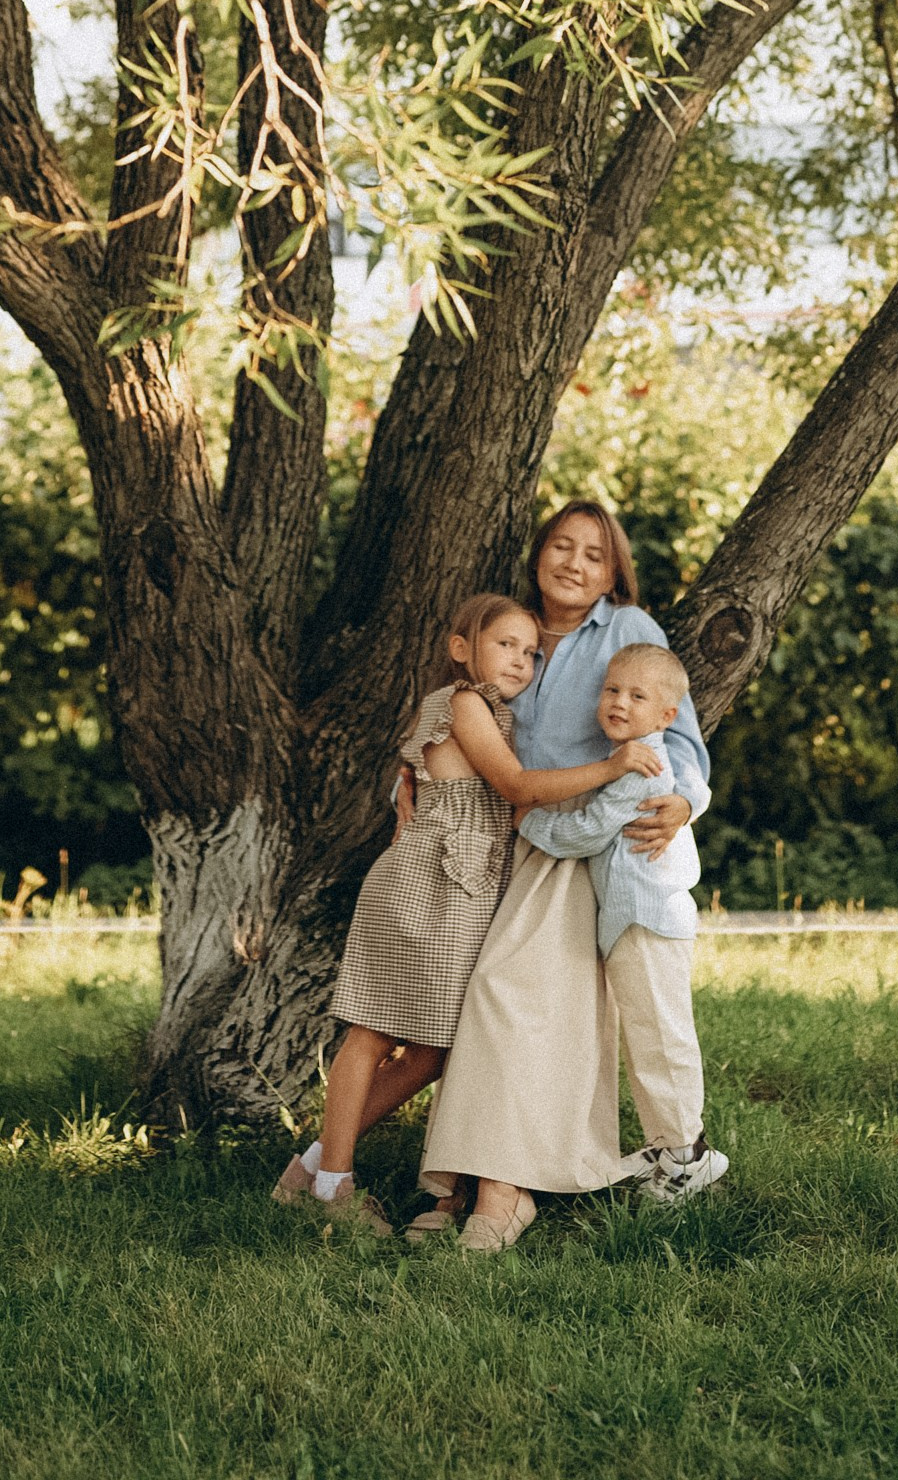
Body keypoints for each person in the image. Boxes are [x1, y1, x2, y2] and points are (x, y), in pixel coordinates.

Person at [272, 589, 665, 1236]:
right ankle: (332, 1188)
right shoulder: (460, 703)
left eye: (532, 652)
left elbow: (505, 806)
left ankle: (311, 1170)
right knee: (372, 1030)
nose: (520, 661)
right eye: (504, 645)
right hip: (426, 880)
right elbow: (514, 787)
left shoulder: (498, 718)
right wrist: (611, 765)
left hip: (465, 888)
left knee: (435, 1047)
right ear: (461, 650)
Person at [415, 498, 716, 1253]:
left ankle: (503, 1190)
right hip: (505, 839)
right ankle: (463, 1182)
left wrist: (683, 802)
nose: (574, 564)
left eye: (593, 553)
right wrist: (407, 789)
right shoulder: (512, 631)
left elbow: (679, 741)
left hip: (587, 841)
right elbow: (463, 723)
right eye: (561, 546)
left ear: (614, 570)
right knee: (477, 1002)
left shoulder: (626, 630)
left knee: (510, 995)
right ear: (538, 553)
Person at [520, 640, 728, 1205]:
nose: (618, 703)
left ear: (666, 716)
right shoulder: (629, 759)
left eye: (637, 696)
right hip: (633, 919)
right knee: (646, 1035)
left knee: (661, 1035)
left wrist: (528, 821)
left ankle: (689, 1156)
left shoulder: (646, 766)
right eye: (612, 690)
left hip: (647, 919)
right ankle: (671, 1146)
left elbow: (588, 831)